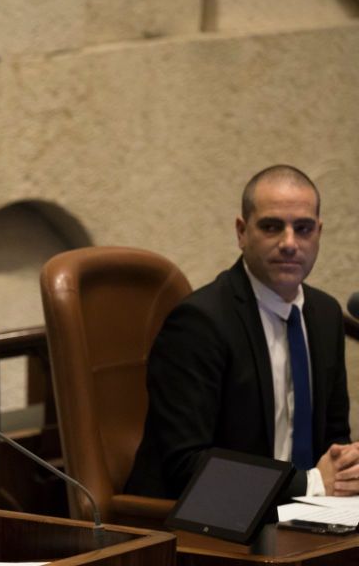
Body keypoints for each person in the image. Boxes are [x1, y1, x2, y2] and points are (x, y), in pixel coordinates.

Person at [126, 165, 359, 500]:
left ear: (318, 232)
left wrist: (347, 469)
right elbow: (187, 467)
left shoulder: (325, 314)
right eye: (271, 227)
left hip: (308, 513)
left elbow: (333, 440)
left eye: (303, 228)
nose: (289, 243)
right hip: (202, 520)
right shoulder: (199, 322)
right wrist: (310, 484)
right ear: (241, 232)